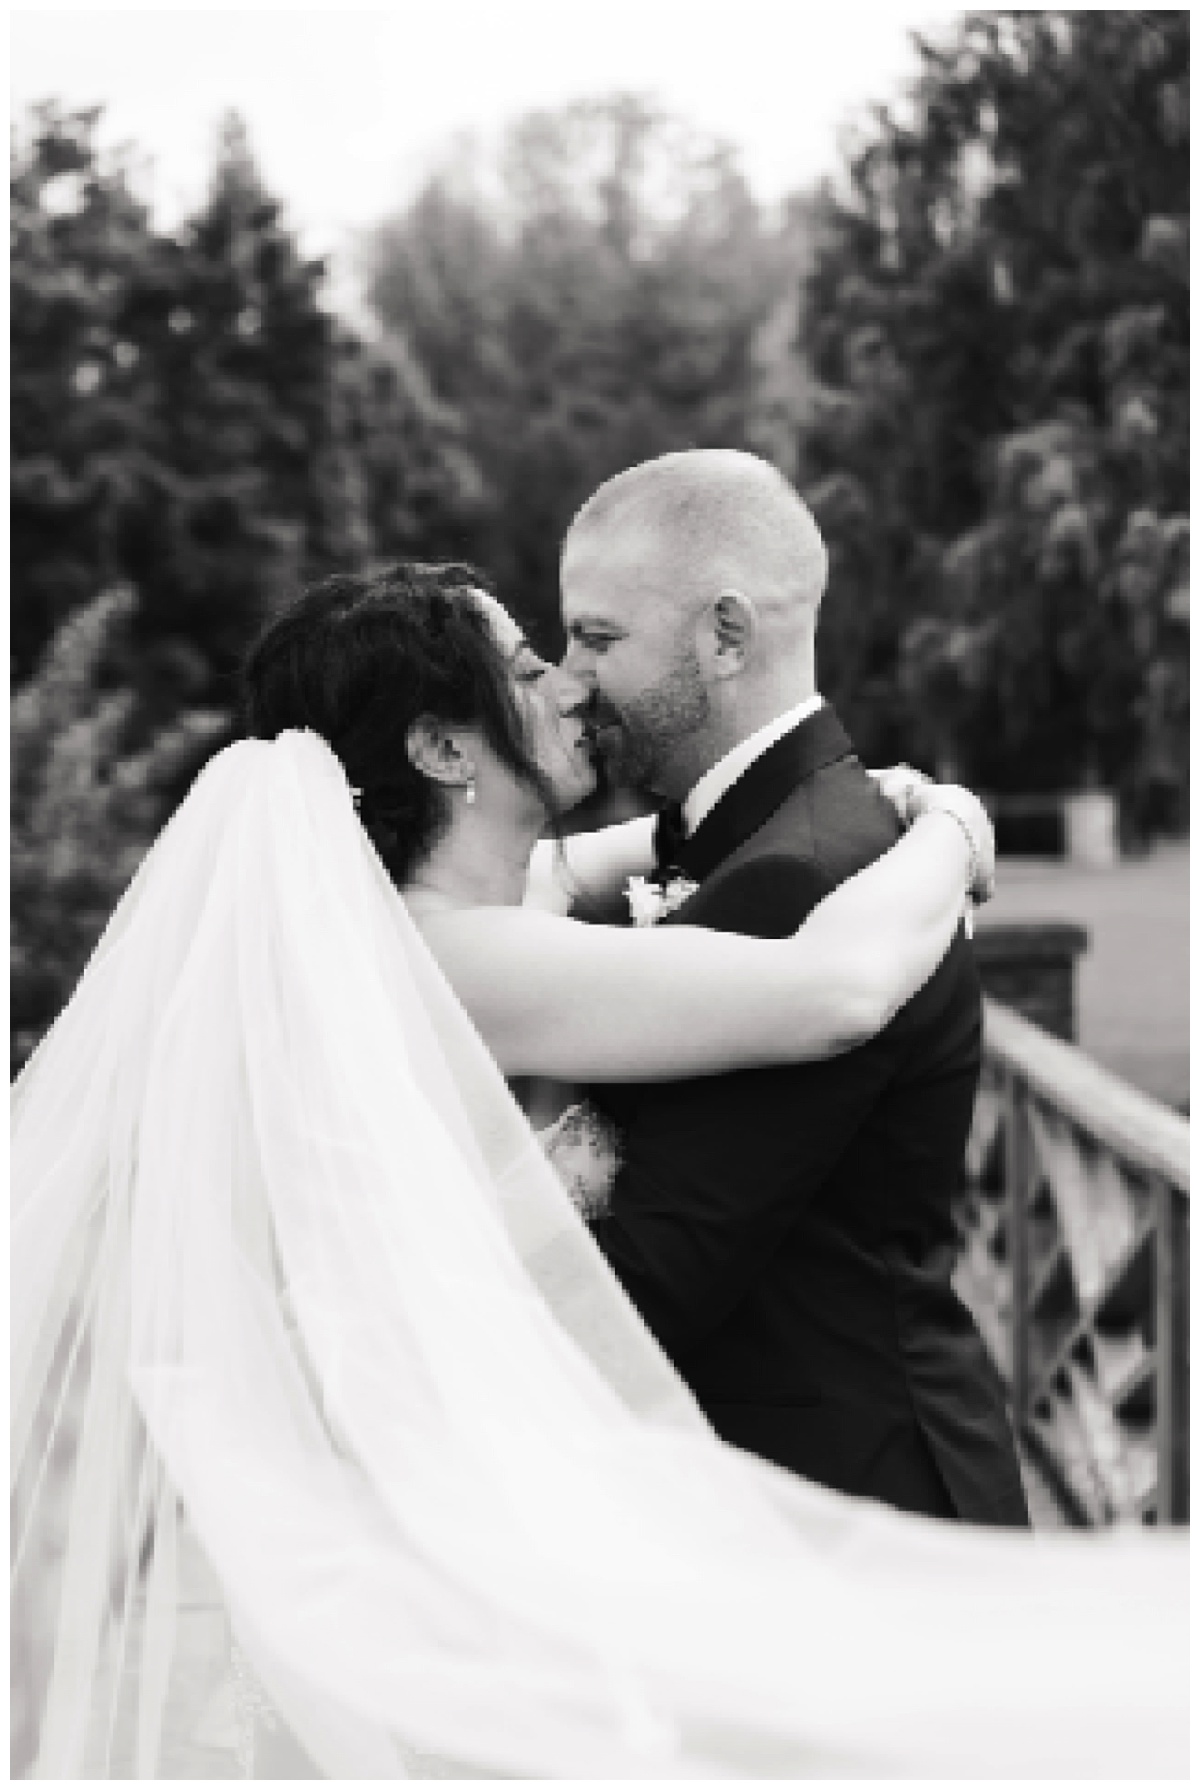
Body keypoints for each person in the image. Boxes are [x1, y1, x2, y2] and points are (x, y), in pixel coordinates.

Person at [11, 562, 1184, 1780]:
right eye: (524, 667)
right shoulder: (456, 960)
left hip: (466, 1504)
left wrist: (855, 799)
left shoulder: (431, 904)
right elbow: (833, 992)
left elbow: (616, 857)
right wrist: (949, 824)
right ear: (442, 747)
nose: (565, 684)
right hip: (469, 1532)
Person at [556, 449, 1031, 1524]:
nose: (569, 676)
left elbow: (647, 1279)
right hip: (808, 1490)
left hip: (860, 1516)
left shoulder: (798, 876)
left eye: (597, 636)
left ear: (726, 635)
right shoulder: (770, 838)